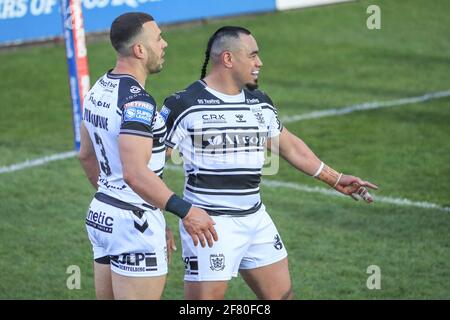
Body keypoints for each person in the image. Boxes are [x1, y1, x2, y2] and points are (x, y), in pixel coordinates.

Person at [161, 26, 378, 300]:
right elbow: (149, 163)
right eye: (252, 55)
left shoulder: (259, 102)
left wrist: (335, 178)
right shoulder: (184, 104)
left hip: (256, 220)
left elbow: (289, 146)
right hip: (210, 225)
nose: (259, 63)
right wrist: (168, 215)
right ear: (228, 59)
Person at [78, 12, 218, 300]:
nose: (164, 44)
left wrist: (135, 205)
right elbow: (135, 172)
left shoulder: (98, 88)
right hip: (133, 222)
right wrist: (186, 211)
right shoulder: (137, 102)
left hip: (103, 214)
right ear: (139, 50)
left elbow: (85, 156)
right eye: (158, 38)